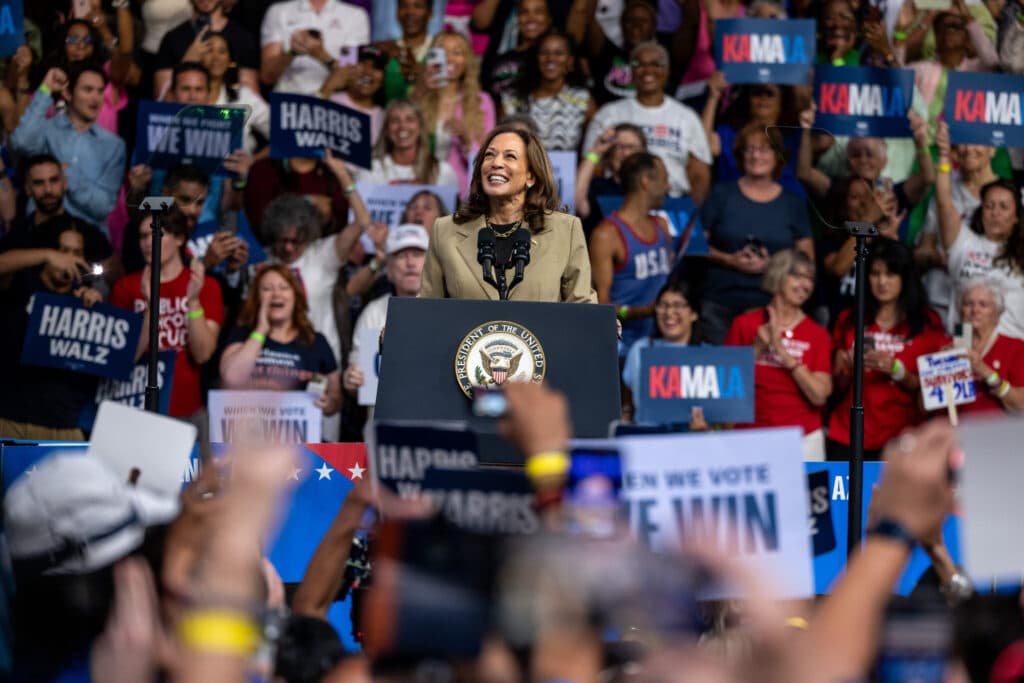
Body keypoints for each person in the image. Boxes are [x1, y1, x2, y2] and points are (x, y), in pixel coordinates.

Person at [420, 124, 595, 302]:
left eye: (510, 156)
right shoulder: (445, 231)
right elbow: (425, 310)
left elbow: (582, 306)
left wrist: (603, 324)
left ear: (531, 176)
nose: (496, 163)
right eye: (489, 155)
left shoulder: (566, 230)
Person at [827, 239, 947, 460]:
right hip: (848, 433)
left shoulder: (927, 323)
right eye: (875, 274)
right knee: (843, 496)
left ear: (905, 278)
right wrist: (845, 366)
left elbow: (931, 392)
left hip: (903, 437)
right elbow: (836, 386)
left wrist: (896, 369)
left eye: (891, 274)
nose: (882, 282)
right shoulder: (849, 318)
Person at [700, 124, 814, 344]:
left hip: (773, 305)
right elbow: (696, 245)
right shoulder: (721, 194)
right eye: (749, 149)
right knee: (724, 372)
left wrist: (774, 265)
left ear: (777, 156)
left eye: (764, 149)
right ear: (740, 155)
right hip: (721, 301)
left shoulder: (792, 203)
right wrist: (729, 259)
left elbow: (806, 258)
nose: (756, 156)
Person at [111, 207, 224, 422]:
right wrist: (150, 307)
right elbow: (123, 359)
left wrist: (192, 301)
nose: (148, 243)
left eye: (156, 234)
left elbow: (203, 354)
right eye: (143, 236)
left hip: (186, 410)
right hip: (134, 406)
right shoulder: (125, 287)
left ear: (179, 238)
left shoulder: (206, 286)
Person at [0, 219, 105, 439]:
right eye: (63, 250)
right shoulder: (21, 284)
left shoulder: (85, 299)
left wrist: (94, 310)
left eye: (76, 252)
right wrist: (47, 254)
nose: (68, 258)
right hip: (12, 419)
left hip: (64, 425)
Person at [724, 250, 832, 460]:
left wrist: (782, 352)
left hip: (803, 438)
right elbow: (725, 388)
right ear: (779, 275)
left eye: (809, 278)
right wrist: (757, 348)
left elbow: (819, 395)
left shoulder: (817, 334)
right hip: (750, 436)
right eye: (798, 276)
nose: (805, 284)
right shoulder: (745, 324)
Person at [582, 41, 712, 203]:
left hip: (673, 201)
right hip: (617, 200)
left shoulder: (686, 117)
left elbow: (699, 173)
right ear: (630, 71)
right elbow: (593, 163)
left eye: (656, 64)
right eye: (639, 64)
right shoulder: (608, 114)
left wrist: (691, 215)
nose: (647, 70)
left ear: (667, 71)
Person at [935, 121, 1024, 340]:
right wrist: (945, 156)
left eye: (1004, 207)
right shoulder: (963, 242)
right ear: (980, 210)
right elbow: (943, 201)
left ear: (1016, 217)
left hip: (1011, 344)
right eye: (989, 205)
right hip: (963, 340)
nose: (995, 212)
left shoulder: (1022, 251)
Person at [10, 64, 126, 231]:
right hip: (42, 232)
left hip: (88, 238)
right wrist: (46, 89)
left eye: (100, 91)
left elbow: (103, 207)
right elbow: (20, 142)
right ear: (67, 93)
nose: (96, 98)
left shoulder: (114, 145)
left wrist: (66, 175)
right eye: (88, 90)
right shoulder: (47, 130)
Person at [219, 264, 341, 415]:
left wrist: (328, 404)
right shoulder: (243, 335)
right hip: (248, 434)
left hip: (301, 434)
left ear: (296, 296)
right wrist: (261, 330)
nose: (276, 294)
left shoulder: (316, 341)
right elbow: (232, 379)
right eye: (267, 289)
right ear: (257, 298)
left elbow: (335, 397)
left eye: (284, 287)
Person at [343, 224, 429, 431]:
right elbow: (361, 380)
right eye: (401, 256)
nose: (410, 263)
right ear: (388, 270)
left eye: (417, 254)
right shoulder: (373, 313)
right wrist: (352, 380)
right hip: (385, 432)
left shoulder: (450, 307)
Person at [589, 152, 674, 355]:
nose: (668, 187)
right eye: (664, 179)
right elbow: (601, 305)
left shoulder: (662, 226)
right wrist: (639, 311)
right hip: (622, 347)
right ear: (646, 182)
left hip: (660, 342)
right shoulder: (607, 235)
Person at [916, 135, 998, 327]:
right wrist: (948, 260)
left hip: (992, 307)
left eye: (977, 139)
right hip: (942, 304)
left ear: (993, 149)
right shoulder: (944, 194)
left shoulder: (1011, 196)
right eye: (962, 141)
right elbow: (921, 253)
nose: (968, 148)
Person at [418, 31, 495, 197]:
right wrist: (421, 92)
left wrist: (467, 140)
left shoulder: (482, 102)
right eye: (443, 53)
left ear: (467, 61)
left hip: (462, 194)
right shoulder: (419, 96)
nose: (450, 59)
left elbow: (491, 160)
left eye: (457, 53)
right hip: (421, 190)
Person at [702, 75, 803, 197]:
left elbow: (824, 142)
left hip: (785, 208)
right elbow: (702, 148)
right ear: (747, 99)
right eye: (757, 93)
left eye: (769, 93)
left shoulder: (794, 136)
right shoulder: (729, 133)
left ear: (782, 101)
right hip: (736, 205)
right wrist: (713, 97)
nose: (763, 98)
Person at [500, 28, 594, 151]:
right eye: (544, 53)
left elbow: (590, 151)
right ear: (536, 58)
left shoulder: (583, 101)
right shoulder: (511, 99)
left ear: (570, 61)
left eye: (559, 53)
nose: (550, 59)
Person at [620, 281, 701, 415]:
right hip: (648, 433)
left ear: (694, 313)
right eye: (663, 306)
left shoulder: (707, 354)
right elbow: (629, 402)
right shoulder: (640, 349)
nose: (669, 312)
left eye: (677, 305)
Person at [260, 0, 370, 95]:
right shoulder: (279, 12)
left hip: (335, 105)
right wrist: (291, 52)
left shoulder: (354, 16)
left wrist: (320, 54)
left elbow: (350, 75)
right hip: (288, 101)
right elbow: (267, 76)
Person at [154, 0, 260, 98]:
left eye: (222, 51)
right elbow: (162, 104)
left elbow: (252, 99)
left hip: (227, 113)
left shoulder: (242, 38)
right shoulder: (173, 38)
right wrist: (187, 62)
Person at [955, 278, 1024, 416]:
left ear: (997, 313)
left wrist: (985, 372)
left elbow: (1020, 404)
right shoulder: (946, 345)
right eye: (968, 304)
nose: (975, 310)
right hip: (952, 431)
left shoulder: (1015, 347)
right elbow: (924, 406)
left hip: (995, 432)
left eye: (983, 305)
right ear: (960, 310)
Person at [356, 98, 458, 186]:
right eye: (395, 121)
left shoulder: (442, 171)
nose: (402, 126)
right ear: (386, 130)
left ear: (420, 128)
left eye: (409, 120)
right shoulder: (370, 171)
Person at [202, 31, 271, 153]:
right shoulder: (184, 92)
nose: (215, 57)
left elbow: (282, 137)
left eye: (222, 51)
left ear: (231, 61)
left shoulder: (244, 97)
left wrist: (253, 162)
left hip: (235, 171)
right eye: (209, 50)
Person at [575, 122, 648, 236]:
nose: (626, 153)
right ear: (609, 153)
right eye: (619, 147)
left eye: (632, 147)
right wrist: (596, 151)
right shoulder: (598, 187)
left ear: (644, 153)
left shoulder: (651, 189)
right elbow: (578, 203)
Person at [480, 0, 553, 99]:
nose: (531, 18)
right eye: (524, 12)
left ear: (549, 19)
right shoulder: (499, 60)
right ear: (517, 19)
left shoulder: (554, 61)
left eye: (538, 12)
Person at [319, 45, 387, 144]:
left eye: (376, 67)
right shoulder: (328, 99)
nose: (367, 72)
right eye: (361, 63)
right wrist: (328, 87)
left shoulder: (385, 119)